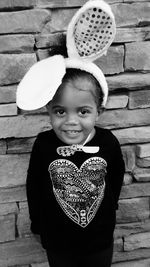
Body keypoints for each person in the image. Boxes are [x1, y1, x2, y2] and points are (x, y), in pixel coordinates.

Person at [26, 66, 125, 267]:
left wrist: (111, 207)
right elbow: (34, 187)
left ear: (98, 111)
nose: (71, 121)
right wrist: (37, 225)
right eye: (60, 111)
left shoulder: (108, 142)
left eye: (83, 111)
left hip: (100, 240)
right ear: (49, 109)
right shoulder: (43, 144)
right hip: (57, 242)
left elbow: (116, 177)